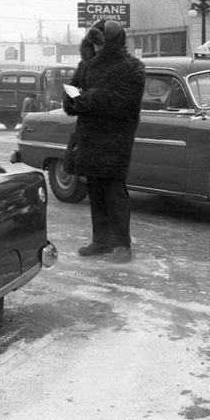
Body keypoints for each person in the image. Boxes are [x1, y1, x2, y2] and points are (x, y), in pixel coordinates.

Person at [62, 19, 145, 263]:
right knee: (95, 190)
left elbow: (120, 102)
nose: (96, 46)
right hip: (88, 137)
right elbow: (69, 93)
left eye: (100, 41)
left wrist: (87, 99)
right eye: (93, 41)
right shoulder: (86, 65)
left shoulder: (131, 68)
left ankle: (122, 245)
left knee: (113, 191)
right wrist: (82, 99)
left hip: (114, 140)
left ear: (113, 42)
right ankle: (101, 241)